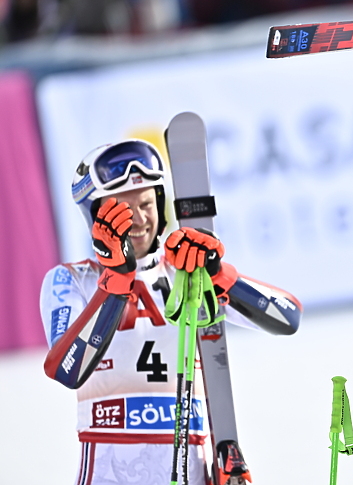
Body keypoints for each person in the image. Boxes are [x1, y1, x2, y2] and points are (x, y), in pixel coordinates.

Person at [40, 138, 302, 484]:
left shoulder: (187, 272)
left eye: (147, 203)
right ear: (96, 216)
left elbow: (288, 317)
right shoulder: (72, 280)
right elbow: (66, 369)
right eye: (121, 209)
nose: (137, 219)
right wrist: (117, 280)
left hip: (191, 470)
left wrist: (220, 275)